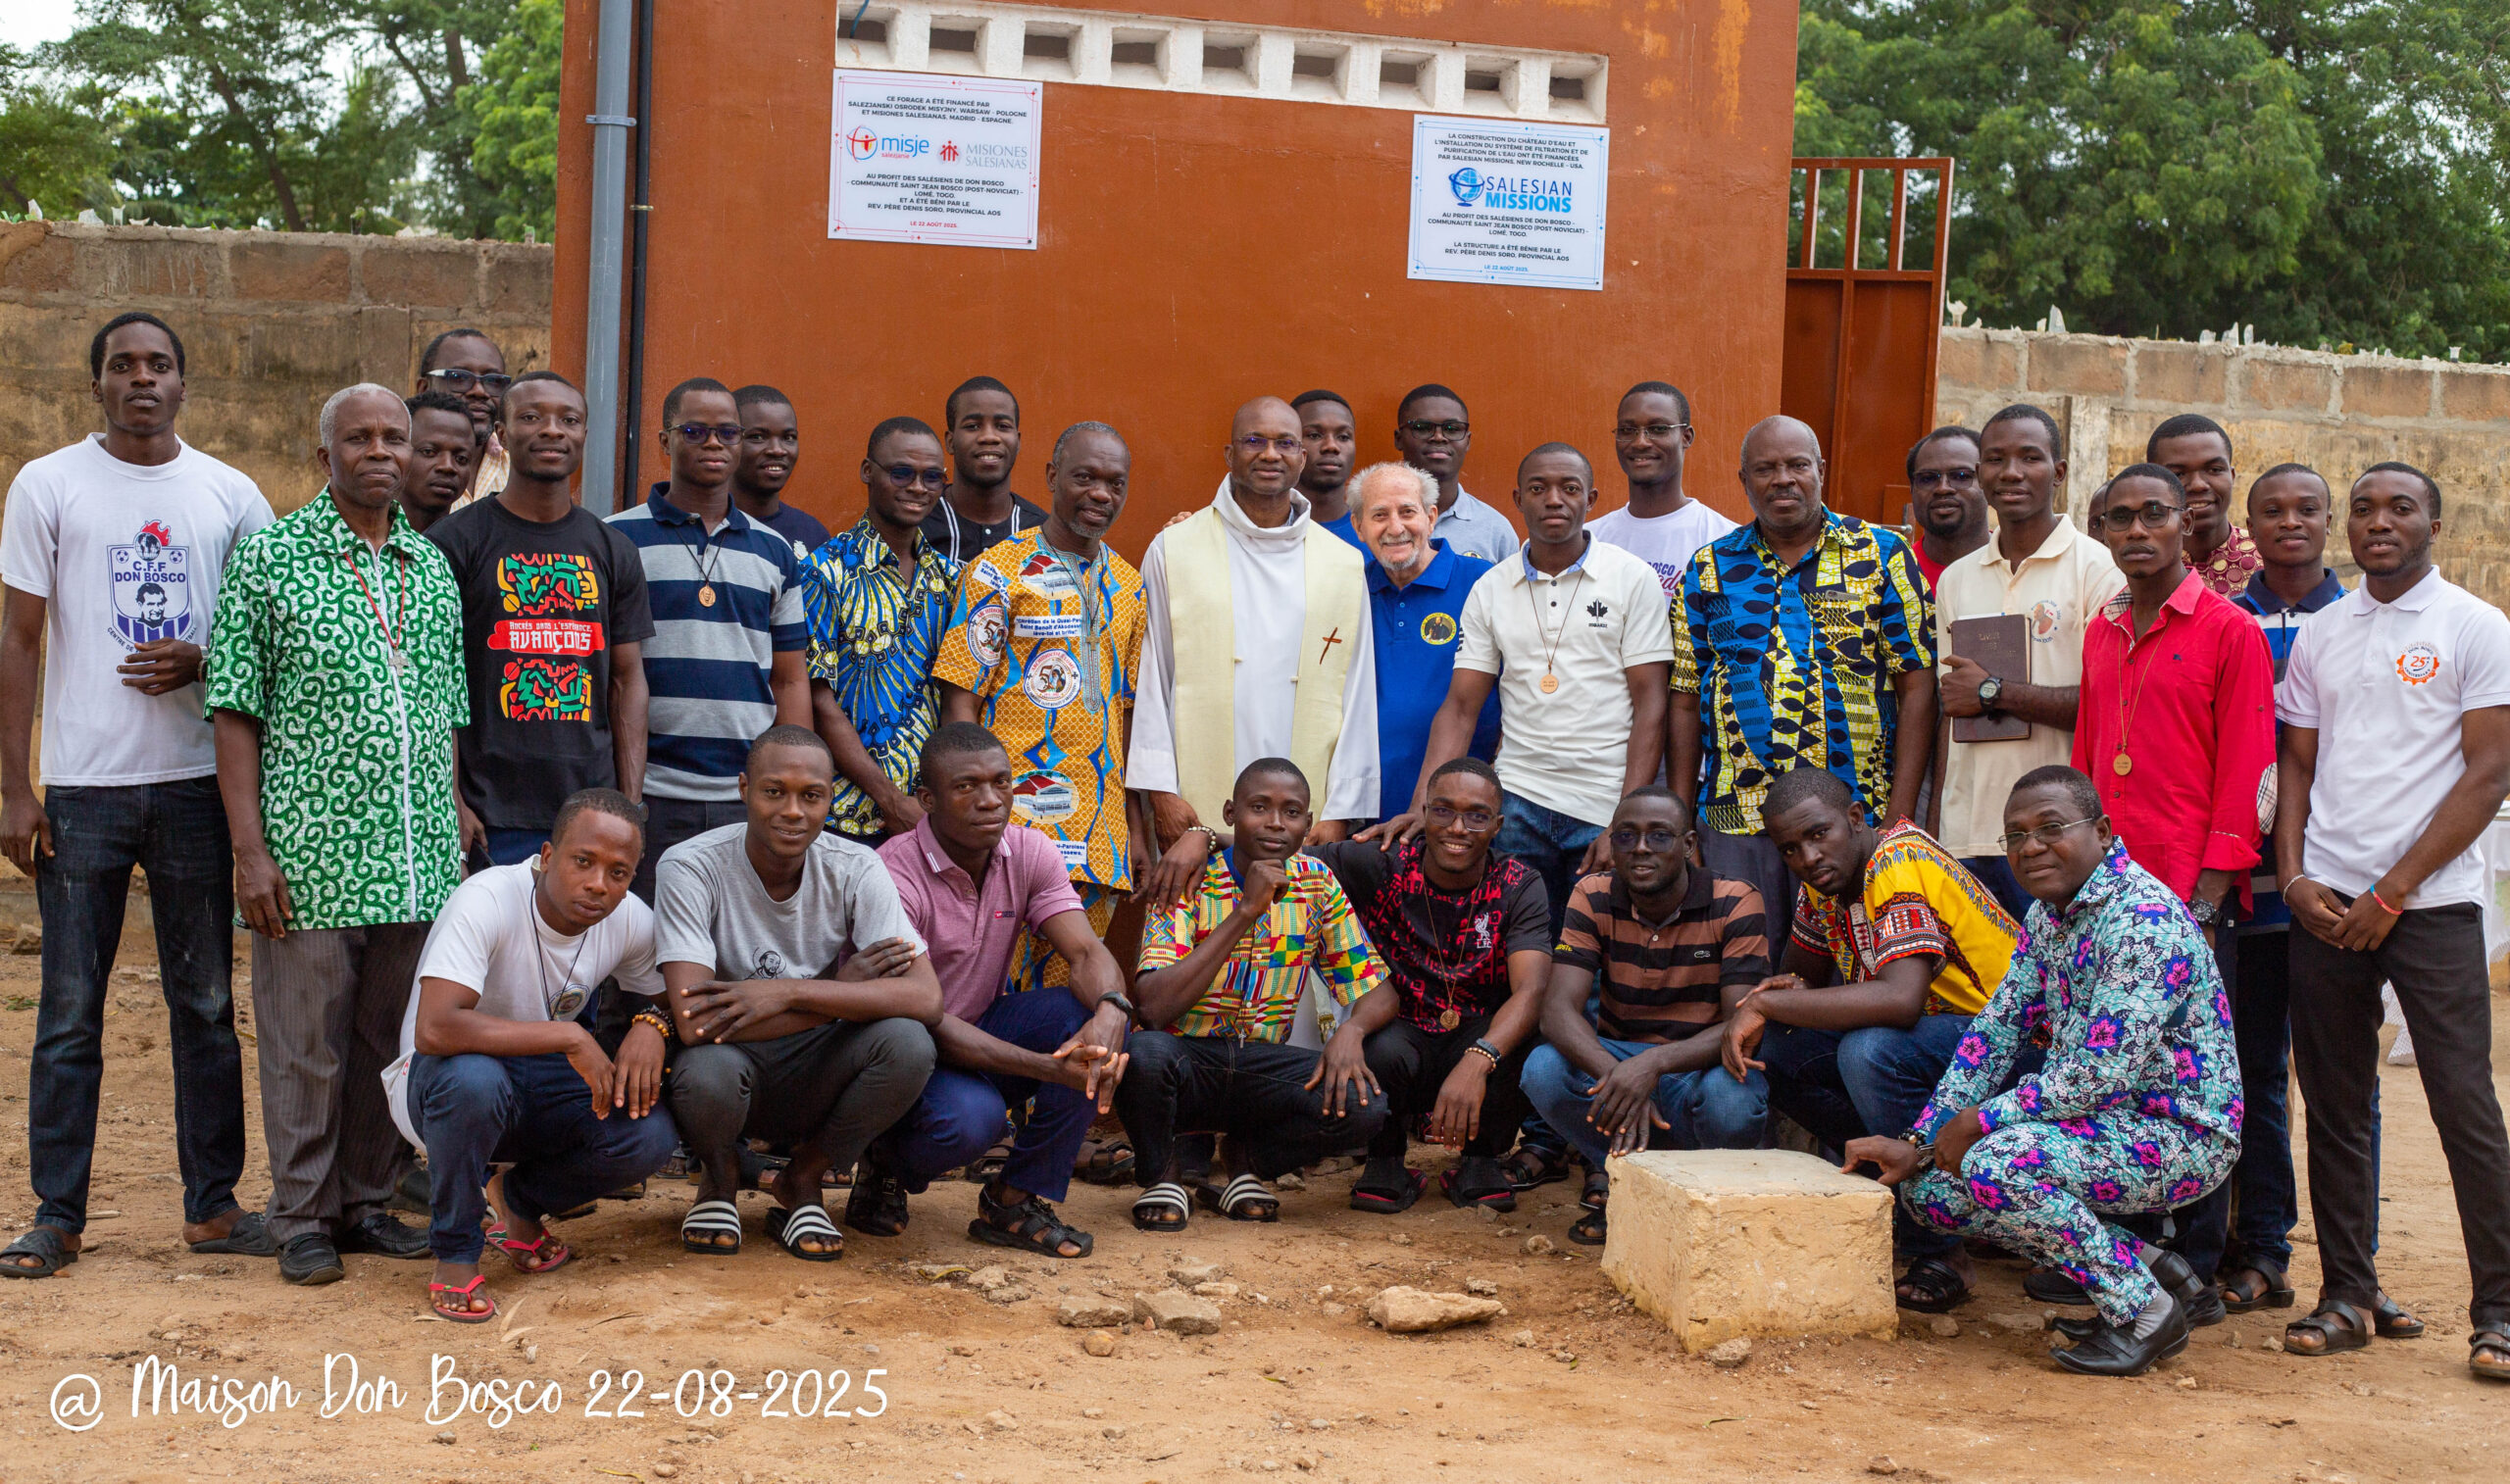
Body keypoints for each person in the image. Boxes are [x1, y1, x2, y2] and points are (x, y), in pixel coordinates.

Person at [0, 312, 275, 1279]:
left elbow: (263, 634)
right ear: (99, 386)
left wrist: (203, 655)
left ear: (185, 385)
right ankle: (56, 1214)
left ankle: (213, 1207)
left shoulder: (230, 494)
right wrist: (15, 787)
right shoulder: (49, 484)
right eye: (124, 365)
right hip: (84, 788)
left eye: (159, 364)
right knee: (69, 1006)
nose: (142, 378)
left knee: (202, 1002)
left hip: (198, 784)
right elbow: (20, 641)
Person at [1844, 766, 2241, 1377]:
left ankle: (2143, 1313)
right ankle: (2150, 1268)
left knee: (1995, 1163)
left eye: (2051, 828)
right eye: (2015, 835)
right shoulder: (2050, 916)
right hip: (2101, 1124)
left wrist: (1979, 1120)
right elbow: (1994, 1033)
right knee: (1929, 1193)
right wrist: (1921, 1143)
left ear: (2103, 831)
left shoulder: (2143, 922)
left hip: (2181, 1137)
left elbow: (2099, 1074)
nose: (2030, 847)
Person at [204, 382, 466, 1285]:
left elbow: (446, 715)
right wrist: (249, 850)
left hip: (417, 853)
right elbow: (233, 711)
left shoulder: (430, 570)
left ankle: (364, 1200)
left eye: (395, 437)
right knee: (302, 1041)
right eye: (359, 438)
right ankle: (304, 1214)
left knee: (386, 1040)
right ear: (326, 458)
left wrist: (455, 812)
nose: (382, 452)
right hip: (307, 856)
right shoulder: (270, 559)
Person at [2275, 462, 2510, 1379]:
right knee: (2333, 1106)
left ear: (2434, 527)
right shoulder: (2325, 634)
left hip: (2433, 904)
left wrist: (2394, 892)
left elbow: (2488, 776)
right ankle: (2347, 1294)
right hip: (2326, 902)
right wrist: (2293, 876)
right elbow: (2297, 764)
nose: (2380, 522)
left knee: (2464, 1104)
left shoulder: (2475, 627)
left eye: (2399, 509)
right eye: (2365, 508)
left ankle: (2498, 1311)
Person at [1730, 766, 2022, 1311]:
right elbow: (1801, 982)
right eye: (1790, 849)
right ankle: (1882, 1193)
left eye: (1819, 835)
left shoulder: (1895, 859)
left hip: (2021, 1052)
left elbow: (1899, 999)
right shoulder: (1828, 882)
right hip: (1947, 1050)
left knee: (1870, 1051)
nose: (1809, 857)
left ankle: (1937, 1246)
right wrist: (1773, 999)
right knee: (1779, 1053)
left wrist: (1770, 1001)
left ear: (1856, 819)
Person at [652, 725, 941, 1261]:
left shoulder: (856, 865)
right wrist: (833, 994)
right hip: (728, 1056)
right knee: (705, 1072)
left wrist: (786, 993)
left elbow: (925, 998)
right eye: (773, 791)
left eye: (812, 796)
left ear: (831, 799)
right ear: (743, 790)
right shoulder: (690, 864)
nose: (793, 811)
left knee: (908, 1043)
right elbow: (693, 1021)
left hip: (811, 1060)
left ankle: (802, 1182)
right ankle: (720, 1178)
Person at [394, 789, 678, 1322]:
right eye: (583, 861)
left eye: (619, 873)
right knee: (473, 1081)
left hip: (532, 1084)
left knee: (648, 1134)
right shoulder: (487, 899)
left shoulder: (629, 919)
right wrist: (568, 1037)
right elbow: (436, 1028)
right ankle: (455, 1251)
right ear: (546, 857)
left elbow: (667, 992)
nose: (598, 884)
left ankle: (520, 1202)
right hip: (436, 1084)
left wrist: (651, 1022)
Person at [859, 725, 1134, 1256]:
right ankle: (883, 1159)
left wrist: (1109, 1011)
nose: (990, 801)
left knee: (1097, 1033)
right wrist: (1048, 1069)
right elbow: (926, 1018)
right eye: (966, 787)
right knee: (972, 1122)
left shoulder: (1029, 850)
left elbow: (1084, 952)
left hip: (981, 1029)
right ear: (928, 799)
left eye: (1001, 783)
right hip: (903, 1049)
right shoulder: (892, 874)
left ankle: (1013, 1199)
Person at [1671, 415, 1935, 952]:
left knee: (1861, 966)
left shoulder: (1882, 555)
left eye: (1796, 465)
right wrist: (1682, 820)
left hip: (1857, 815)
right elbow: (1682, 698)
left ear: (1820, 469)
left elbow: (1918, 686)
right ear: (1743, 480)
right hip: (1737, 816)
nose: (1782, 479)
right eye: (1765, 469)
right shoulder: (1708, 569)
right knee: (1748, 968)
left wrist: (1901, 818)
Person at [1391, 443, 1672, 929]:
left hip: (1603, 801)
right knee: (1520, 950)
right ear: (1518, 499)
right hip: (1518, 802)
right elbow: (1461, 706)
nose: (1554, 500)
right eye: (1539, 489)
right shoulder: (1492, 587)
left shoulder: (1632, 579)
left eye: (1570, 488)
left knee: (1595, 960)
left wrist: (1626, 817)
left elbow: (1652, 704)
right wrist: (1422, 804)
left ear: (1593, 498)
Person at [1118, 759, 1391, 1230]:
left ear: (1308, 823)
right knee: (1141, 1053)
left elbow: (1379, 991)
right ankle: (1165, 1174)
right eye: (1259, 807)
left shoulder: (1316, 883)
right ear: (1230, 812)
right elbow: (1154, 1005)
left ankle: (1246, 1163)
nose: (1274, 823)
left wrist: (1352, 1030)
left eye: (1291, 812)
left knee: (1365, 1104)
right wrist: (1245, 911)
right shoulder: (1188, 875)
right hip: (1186, 1060)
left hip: (1259, 1065)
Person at [2198, 462, 2345, 1319]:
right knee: (2249, 1070)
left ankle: (2348, 1272)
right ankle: (2256, 1247)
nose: (2290, 523)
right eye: (2273, 510)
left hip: (2332, 887)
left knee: (2335, 1084)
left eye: (2307, 509)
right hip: (2240, 889)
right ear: (2250, 523)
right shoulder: (2228, 619)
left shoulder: (2354, 618)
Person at [1132, 397, 1379, 907]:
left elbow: (1357, 691)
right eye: (1254, 441)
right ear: (1228, 454)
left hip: (1304, 811)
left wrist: (1340, 808)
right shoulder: (1174, 548)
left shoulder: (1343, 563)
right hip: (1197, 804)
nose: (1271, 455)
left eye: (1285, 443)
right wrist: (1161, 791)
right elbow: (1151, 676)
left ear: (1303, 457)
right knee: (1197, 948)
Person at [933, 421, 1147, 991]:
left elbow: (1124, 714)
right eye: (1085, 477)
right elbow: (961, 699)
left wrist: (1134, 825)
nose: (1101, 494)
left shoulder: (1130, 587)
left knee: (1070, 1001)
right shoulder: (996, 574)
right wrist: (969, 818)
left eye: (1115, 483)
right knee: (995, 991)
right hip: (1012, 832)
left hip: (1099, 840)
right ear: (1053, 477)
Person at [1520, 788, 1772, 1244]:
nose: (1639, 848)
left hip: (1699, 1063)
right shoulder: (1593, 893)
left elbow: (1740, 1024)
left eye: (1659, 836)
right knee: (1542, 1069)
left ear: (1689, 845)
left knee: (1733, 1103)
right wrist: (1620, 1076)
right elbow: (1557, 1011)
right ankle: (1626, 1184)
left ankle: (1697, 1200)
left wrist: (1650, 1067)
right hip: (1619, 1058)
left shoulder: (1735, 899)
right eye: (1626, 836)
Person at [428, 371, 652, 868]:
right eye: (531, 418)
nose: (552, 430)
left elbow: (626, 679)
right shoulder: (454, 542)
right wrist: (452, 801)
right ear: (501, 437)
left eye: (568, 420)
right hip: (488, 813)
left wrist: (629, 803)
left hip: (586, 809)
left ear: (583, 437)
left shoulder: (614, 549)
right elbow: (434, 682)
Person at [1311, 758, 1549, 1212]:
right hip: (1401, 1034)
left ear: (1497, 825)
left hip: (1476, 1036)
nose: (1457, 828)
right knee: (1377, 1046)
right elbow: (1284, 858)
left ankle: (1481, 1161)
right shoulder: (1381, 863)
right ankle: (1385, 1160)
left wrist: (1479, 1059)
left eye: (1476, 816)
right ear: (1424, 813)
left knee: (1525, 1041)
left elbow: (1531, 991)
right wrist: (1202, 840)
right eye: (1443, 811)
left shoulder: (1518, 884)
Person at [608, 376, 812, 898]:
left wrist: (792, 778)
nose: (714, 444)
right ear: (664, 441)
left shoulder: (776, 552)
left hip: (746, 798)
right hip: (651, 792)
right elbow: (609, 675)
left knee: (737, 953)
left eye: (727, 432)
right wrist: (625, 797)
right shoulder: (615, 539)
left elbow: (789, 679)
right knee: (644, 959)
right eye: (695, 431)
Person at [2073, 464, 2272, 965]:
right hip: (2103, 885)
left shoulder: (2232, 630)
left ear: (2184, 524)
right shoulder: (2101, 630)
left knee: (2185, 1044)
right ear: (2104, 532)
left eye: (2154, 514)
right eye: (2120, 518)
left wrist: (2205, 904)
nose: (2136, 530)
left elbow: (2249, 778)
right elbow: (2085, 758)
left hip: (2188, 892)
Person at [1933, 404, 2120, 921]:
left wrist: (1994, 691)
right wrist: (1939, 827)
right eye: (1995, 459)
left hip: (2059, 841)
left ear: (2059, 473)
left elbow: (2107, 705)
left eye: (2029, 458)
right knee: (1986, 995)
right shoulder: (1957, 579)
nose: (2010, 473)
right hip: (1968, 831)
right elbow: (1952, 710)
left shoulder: (2098, 570)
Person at [799, 416, 959, 847]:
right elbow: (819, 699)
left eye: (932, 477)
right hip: (845, 820)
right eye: (902, 472)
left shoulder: (950, 579)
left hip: (931, 819)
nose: (918, 487)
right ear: (868, 472)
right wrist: (888, 798)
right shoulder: (825, 572)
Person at [1345, 462, 1498, 829]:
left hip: (1457, 819)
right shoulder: (1348, 590)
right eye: (1379, 515)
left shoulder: (1485, 583)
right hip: (1357, 812)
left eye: (1407, 512)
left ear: (1431, 517)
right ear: (1359, 527)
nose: (1395, 528)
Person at [1588, 380, 1735, 598]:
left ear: (1686, 437)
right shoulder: (1590, 541)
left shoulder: (1724, 541)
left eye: (1658, 429)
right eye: (1628, 430)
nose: (1640, 442)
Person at [1389, 383, 1520, 563]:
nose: (1439, 437)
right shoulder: (1374, 522)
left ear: (1467, 441)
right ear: (1399, 439)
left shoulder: (1495, 530)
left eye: (1452, 429)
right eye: (1422, 427)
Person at [924, 376, 1045, 564]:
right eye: (973, 426)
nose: (989, 437)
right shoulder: (919, 524)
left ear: (1018, 442)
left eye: (1003, 426)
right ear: (950, 442)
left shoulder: (1042, 534)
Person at [2147, 414, 2257, 596]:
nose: (2198, 485)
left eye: (2214, 470)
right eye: (2178, 474)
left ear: (2232, 476)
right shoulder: (2137, 563)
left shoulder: (2268, 561)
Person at [730, 384, 831, 562]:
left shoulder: (813, 535)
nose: (778, 450)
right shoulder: (703, 528)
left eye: (788, 438)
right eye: (758, 437)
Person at [414, 327, 510, 508]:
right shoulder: (396, 465)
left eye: (493, 381)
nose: (479, 392)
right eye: (459, 378)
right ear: (424, 389)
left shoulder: (518, 466)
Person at [1904, 424, 1988, 593]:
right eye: (1927, 479)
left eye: (1961, 476)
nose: (1942, 488)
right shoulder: (1893, 575)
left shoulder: (2020, 569)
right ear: (1912, 489)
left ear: (1987, 483)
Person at [398, 391, 478, 535]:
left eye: (461, 458)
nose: (447, 466)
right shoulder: (359, 541)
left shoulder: (475, 545)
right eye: (429, 452)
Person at [1293, 389, 1361, 546]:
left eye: (1343, 437)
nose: (1331, 446)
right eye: (1314, 435)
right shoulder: (1265, 532)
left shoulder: (1373, 534)